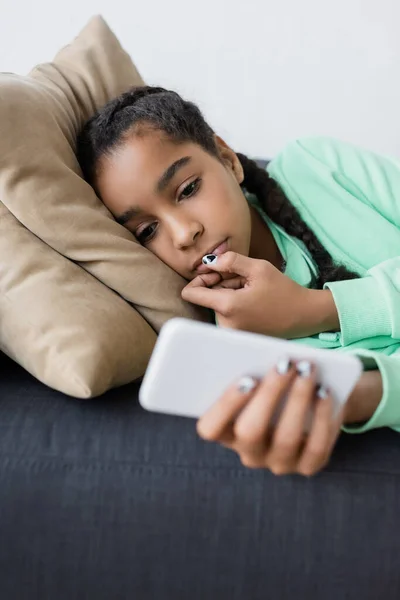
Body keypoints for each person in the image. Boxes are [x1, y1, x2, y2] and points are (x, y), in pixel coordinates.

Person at [77, 85, 400, 477]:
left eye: (188, 189)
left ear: (228, 160)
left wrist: (315, 309)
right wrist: (359, 396)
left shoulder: (316, 166)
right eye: (147, 231)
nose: (183, 233)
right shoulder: (232, 343)